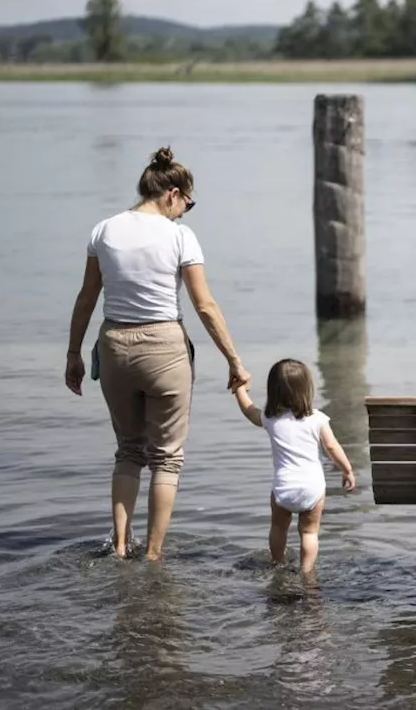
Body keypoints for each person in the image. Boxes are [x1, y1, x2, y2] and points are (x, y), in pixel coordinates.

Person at [65, 146, 250, 560]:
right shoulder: (179, 236)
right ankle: (152, 553)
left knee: (129, 450)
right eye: (187, 202)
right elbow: (205, 306)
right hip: (165, 348)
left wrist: (73, 353)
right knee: (166, 459)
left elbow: (86, 298)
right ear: (172, 193)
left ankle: (118, 546)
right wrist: (234, 360)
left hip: (114, 346)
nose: (185, 212)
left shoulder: (104, 230)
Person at [233, 359, 355, 574]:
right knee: (309, 533)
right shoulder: (317, 419)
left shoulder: (270, 419)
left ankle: (277, 564)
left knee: (278, 528)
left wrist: (239, 389)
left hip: (284, 487)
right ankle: (307, 572)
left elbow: (249, 410)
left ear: (273, 390)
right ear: (307, 388)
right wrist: (347, 470)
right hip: (312, 489)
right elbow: (332, 447)